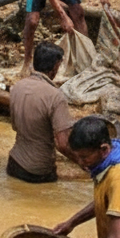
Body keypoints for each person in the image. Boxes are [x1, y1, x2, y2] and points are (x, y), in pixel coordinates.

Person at [7, 41, 75, 183]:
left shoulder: (16, 87)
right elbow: (62, 144)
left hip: (13, 164)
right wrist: (83, 162)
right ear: (55, 67)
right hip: (38, 172)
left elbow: (15, 127)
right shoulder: (56, 97)